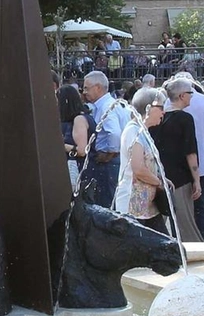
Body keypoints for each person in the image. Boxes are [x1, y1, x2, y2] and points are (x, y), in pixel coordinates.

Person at [171, 73, 204, 236]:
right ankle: (202, 240)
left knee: (177, 206)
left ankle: (177, 242)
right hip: (202, 160)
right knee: (200, 205)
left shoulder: (170, 102)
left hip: (175, 163)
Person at [153, 79, 204, 242]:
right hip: (180, 178)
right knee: (185, 224)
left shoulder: (159, 117)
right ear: (182, 95)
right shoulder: (185, 119)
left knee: (159, 223)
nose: (191, 97)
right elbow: (191, 152)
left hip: (160, 177)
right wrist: (197, 179)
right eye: (190, 93)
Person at [115, 87, 168, 234]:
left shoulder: (142, 130)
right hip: (133, 206)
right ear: (148, 108)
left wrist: (161, 178)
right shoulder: (133, 131)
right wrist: (159, 183)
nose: (163, 112)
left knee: (164, 246)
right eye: (161, 107)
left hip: (147, 206)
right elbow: (138, 169)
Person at [79, 71, 128, 208]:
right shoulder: (112, 104)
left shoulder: (107, 107)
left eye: (87, 88)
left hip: (109, 162)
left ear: (98, 88)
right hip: (114, 160)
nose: (84, 92)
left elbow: (114, 133)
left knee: (107, 204)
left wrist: (109, 154)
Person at [59, 86, 94, 190]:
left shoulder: (79, 120)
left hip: (81, 170)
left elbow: (82, 150)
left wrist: (60, 145)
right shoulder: (83, 117)